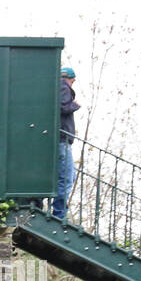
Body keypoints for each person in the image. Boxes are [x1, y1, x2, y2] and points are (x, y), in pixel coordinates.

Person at [52, 66, 80, 220]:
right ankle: (59, 213)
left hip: (61, 139)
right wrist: (75, 104)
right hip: (62, 140)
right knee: (66, 177)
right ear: (71, 79)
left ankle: (58, 210)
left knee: (69, 175)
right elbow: (63, 107)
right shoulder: (63, 86)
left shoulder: (57, 86)